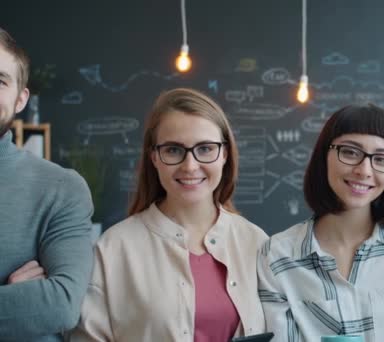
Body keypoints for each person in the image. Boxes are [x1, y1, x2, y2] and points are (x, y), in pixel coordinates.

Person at [70, 88, 268, 341]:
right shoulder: (113, 249)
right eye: (173, 150)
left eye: (206, 149)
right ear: (154, 157)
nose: (190, 166)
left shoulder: (256, 243)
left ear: (225, 154)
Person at [258, 104, 384, 341]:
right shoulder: (278, 254)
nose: (364, 170)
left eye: (381, 159)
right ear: (324, 156)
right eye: (350, 152)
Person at [0, 27, 94, 341]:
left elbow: (62, 304)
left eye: (0, 81)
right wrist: (16, 302)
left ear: (20, 99)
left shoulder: (61, 188)